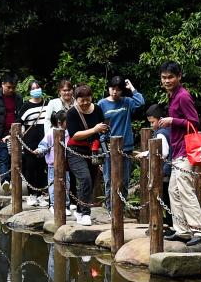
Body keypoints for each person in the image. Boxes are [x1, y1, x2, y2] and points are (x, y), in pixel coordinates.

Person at [157, 60, 201, 246]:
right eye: (164, 77)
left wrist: (173, 121)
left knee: (185, 190)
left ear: (179, 76)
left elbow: (193, 122)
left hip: (186, 150)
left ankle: (200, 231)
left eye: (170, 77)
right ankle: (182, 231)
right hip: (177, 149)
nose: (167, 80)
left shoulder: (183, 96)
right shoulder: (172, 95)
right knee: (173, 189)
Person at [97, 75, 144, 208]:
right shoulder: (101, 104)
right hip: (109, 147)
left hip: (126, 146)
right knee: (109, 179)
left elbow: (141, 103)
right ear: (108, 88)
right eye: (112, 88)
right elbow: (98, 126)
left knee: (124, 180)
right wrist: (102, 143)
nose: (115, 92)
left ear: (122, 90)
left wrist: (132, 88)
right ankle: (110, 208)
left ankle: (121, 209)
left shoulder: (127, 102)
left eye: (118, 89)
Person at [65, 85, 108, 226]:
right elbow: (74, 135)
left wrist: (103, 130)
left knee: (91, 181)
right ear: (76, 99)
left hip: (93, 150)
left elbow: (101, 127)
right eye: (81, 100)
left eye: (87, 99)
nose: (85, 103)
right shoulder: (72, 113)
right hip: (75, 150)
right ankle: (85, 213)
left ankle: (79, 210)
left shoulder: (98, 109)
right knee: (85, 179)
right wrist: (94, 129)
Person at [138, 102, 173, 229]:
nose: (151, 125)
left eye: (153, 122)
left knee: (167, 200)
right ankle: (171, 224)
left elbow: (162, 152)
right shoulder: (170, 130)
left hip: (166, 172)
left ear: (160, 119)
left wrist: (145, 154)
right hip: (171, 170)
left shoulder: (161, 133)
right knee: (169, 200)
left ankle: (170, 225)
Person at [20, 81, 51, 205]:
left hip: (44, 141)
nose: (36, 90)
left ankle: (40, 195)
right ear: (29, 91)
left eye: (38, 87)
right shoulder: (26, 106)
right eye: (33, 88)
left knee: (42, 168)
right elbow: (19, 122)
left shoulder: (48, 104)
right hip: (30, 141)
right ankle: (31, 195)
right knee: (30, 168)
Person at [34, 109, 69, 213]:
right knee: (53, 186)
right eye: (67, 121)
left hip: (66, 165)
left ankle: (65, 205)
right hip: (53, 165)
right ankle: (54, 205)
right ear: (60, 122)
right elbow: (43, 145)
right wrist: (39, 151)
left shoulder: (68, 132)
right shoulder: (51, 133)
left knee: (66, 185)